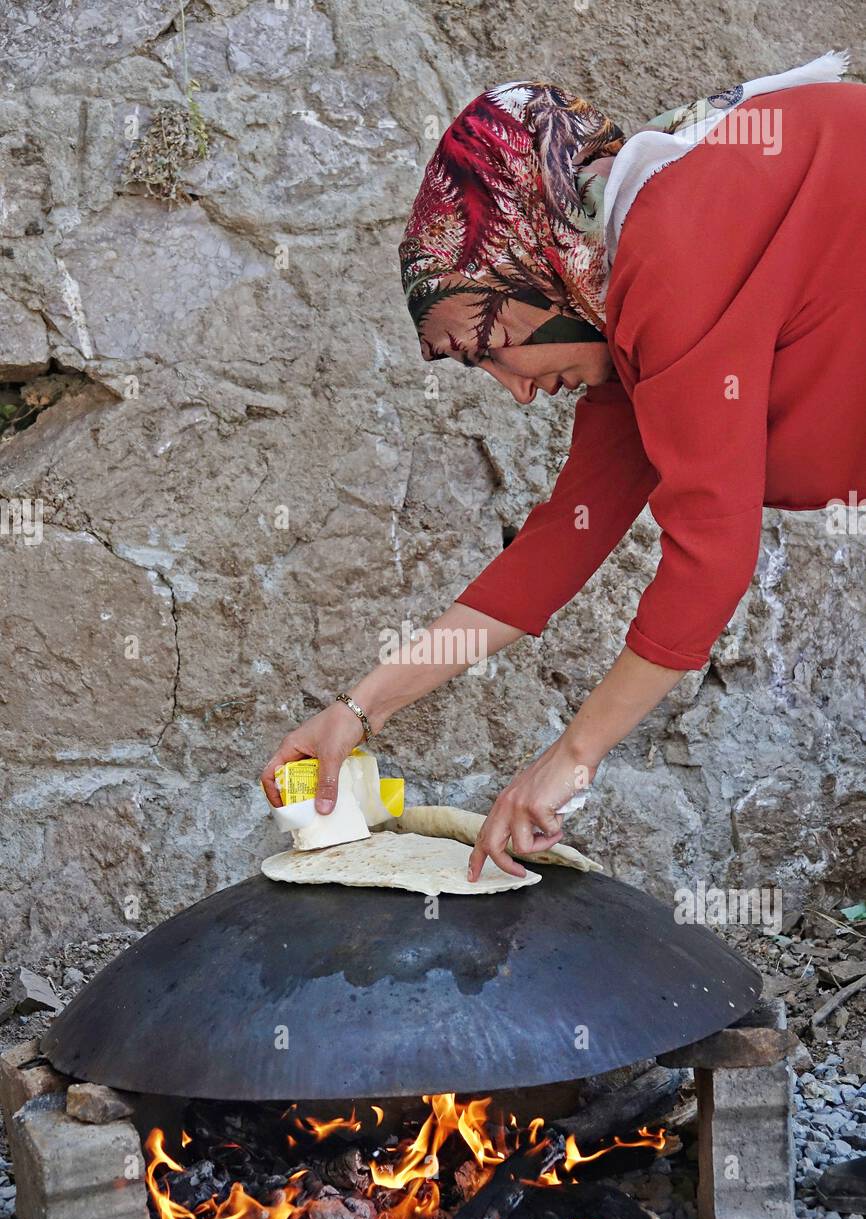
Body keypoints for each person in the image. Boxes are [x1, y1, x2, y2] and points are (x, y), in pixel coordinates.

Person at [263, 53, 866, 881]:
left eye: (493, 345)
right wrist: (356, 712)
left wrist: (569, 760)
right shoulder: (638, 303)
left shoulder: (674, 253)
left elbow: (713, 559)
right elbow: (558, 546)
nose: (514, 389)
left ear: (537, 263)